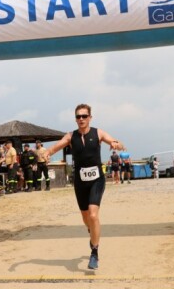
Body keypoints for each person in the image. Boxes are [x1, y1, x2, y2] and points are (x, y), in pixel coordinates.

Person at [45, 103, 124, 270]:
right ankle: (92, 231)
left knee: (94, 215)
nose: (81, 119)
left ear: (90, 118)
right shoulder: (70, 136)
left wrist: (116, 144)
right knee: (86, 218)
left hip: (97, 180)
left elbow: (114, 141)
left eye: (84, 116)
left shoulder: (98, 133)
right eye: (78, 117)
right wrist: (47, 153)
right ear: (75, 119)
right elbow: (55, 147)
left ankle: (94, 252)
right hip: (80, 182)